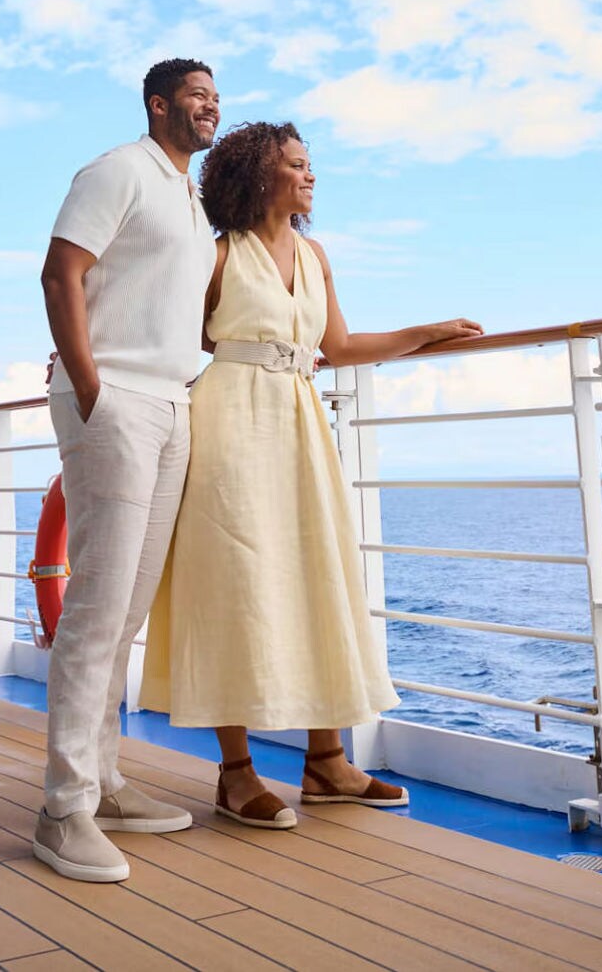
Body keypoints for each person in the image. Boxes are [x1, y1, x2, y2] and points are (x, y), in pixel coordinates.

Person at [141, 121, 483, 827]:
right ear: (258, 175)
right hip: (231, 422)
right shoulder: (216, 258)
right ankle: (235, 773)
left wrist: (428, 331)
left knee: (316, 572)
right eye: (296, 165)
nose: (310, 175)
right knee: (234, 582)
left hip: (300, 424)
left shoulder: (315, 252)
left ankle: (326, 761)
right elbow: (180, 339)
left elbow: (342, 344)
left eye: (309, 164)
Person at [32, 59, 220, 883]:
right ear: (158, 103)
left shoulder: (194, 198)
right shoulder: (117, 170)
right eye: (197, 93)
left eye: (217, 93)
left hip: (173, 404)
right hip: (115, 400)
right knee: (98, 606)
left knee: (128, 608)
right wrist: (89, 384)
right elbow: (59, 270)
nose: (211, 104)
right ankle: (63, 806)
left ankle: (105, 782)